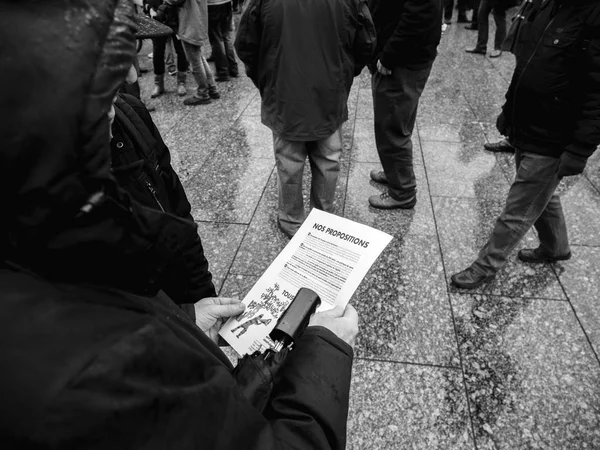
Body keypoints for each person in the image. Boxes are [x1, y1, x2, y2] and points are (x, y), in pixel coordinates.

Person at [0, 1, 359, 448]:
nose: (131, 83)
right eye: (103, 86)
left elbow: (168, 215)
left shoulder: (53, 229)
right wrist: (323, 350)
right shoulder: (96, 373)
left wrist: (185, 317)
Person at [452, 0, 600, 289]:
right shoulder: (547, 7)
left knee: (517, 208)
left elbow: (597, 95)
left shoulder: (593, 17)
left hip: (554, 137)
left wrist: (580, 150)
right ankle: (556, 247)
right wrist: (509, 110)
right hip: (527, 123)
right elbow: (526, 65)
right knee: (541, 193)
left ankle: (485, 265)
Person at [235, 0, 376, 237]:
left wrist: (266, 78)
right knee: (328, 159)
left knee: (289, 161)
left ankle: (291, 220)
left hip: (284, 92)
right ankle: (323, 218)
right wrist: (344, 72)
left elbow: (246, 44)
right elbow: (366, 43)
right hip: (330, 91)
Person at [367, 0, 442, 209]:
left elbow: (419, 17)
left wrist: (389, 56)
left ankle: (402, 191)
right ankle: (395, 174)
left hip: (401, 62)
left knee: (391, 127)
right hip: (404, 58)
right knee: (394, 122)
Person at [157, 0, 221, 105]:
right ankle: (212, 88)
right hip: (197, 20)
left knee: (195, 61)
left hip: (190, 23)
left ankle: (203, 93)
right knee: (199, 57)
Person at [145, 0, 190, 98]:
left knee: (181, 50)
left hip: (176, 15)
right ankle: (158, 84)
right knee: (157, 52)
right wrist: (150, 8)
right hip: (158, 15)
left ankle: (181, 82)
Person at [208, 0, 239, 81]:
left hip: (212, 5)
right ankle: (233, 69)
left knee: (216, 39)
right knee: (227, 36)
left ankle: (223, 72)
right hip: (226, 3)